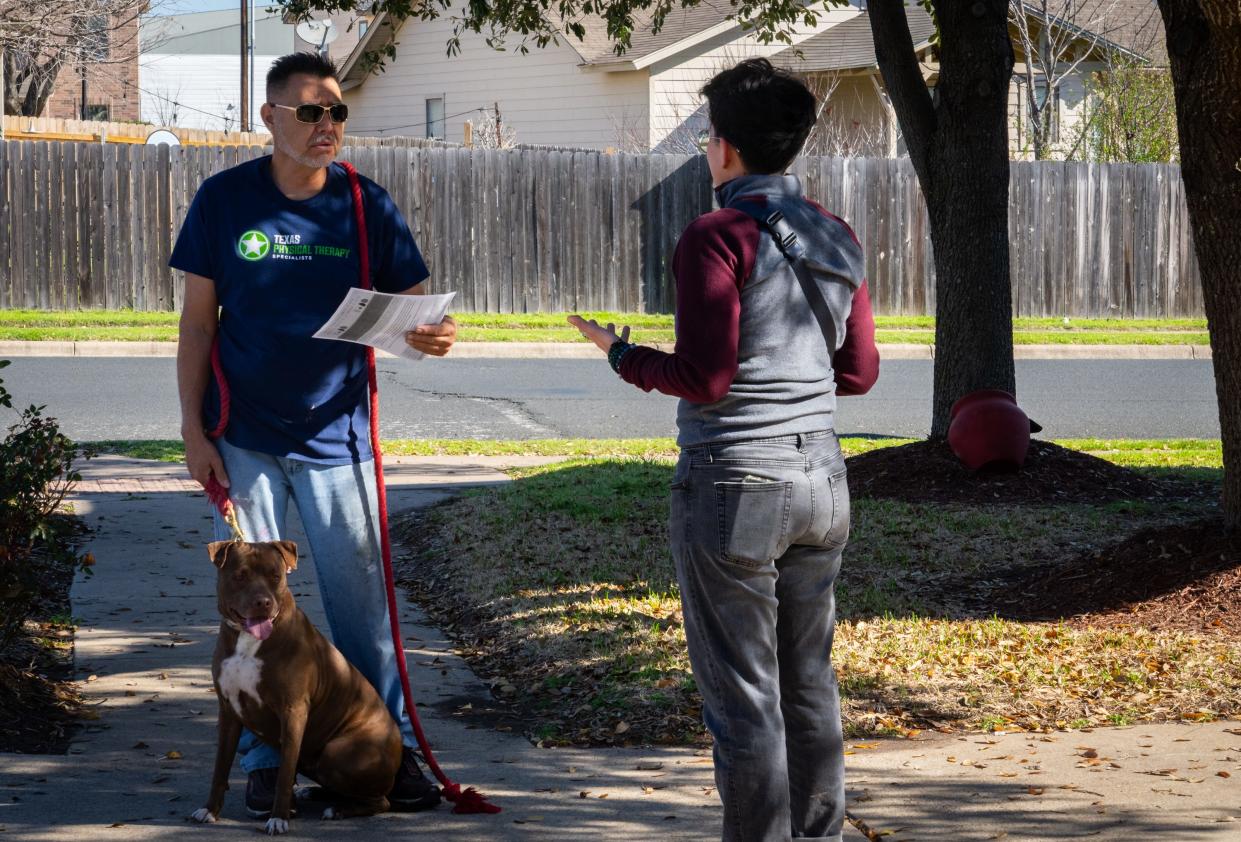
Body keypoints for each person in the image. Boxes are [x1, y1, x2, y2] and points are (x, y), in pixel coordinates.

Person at [570, 58, 880, 842]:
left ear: (723, 148)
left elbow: (703, 378)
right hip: (823, 480)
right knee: (808, 682)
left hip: (736, 480)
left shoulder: (715, 235)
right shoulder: (833, 234)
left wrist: (620, 353)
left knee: (743, 696)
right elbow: (859, 371)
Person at [172, 51, 456, 819]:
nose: (326, 125)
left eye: (336, 112)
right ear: (270, 118)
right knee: (257, 612)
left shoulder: (366, 205)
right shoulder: (224, 201)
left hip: (341, 438)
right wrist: (194, 432)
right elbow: (199, 324)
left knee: (360, 608)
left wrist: (429, 335)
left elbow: (417, 312)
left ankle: (384, 755)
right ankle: (268, 765)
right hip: (243, 436)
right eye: (310, 111)